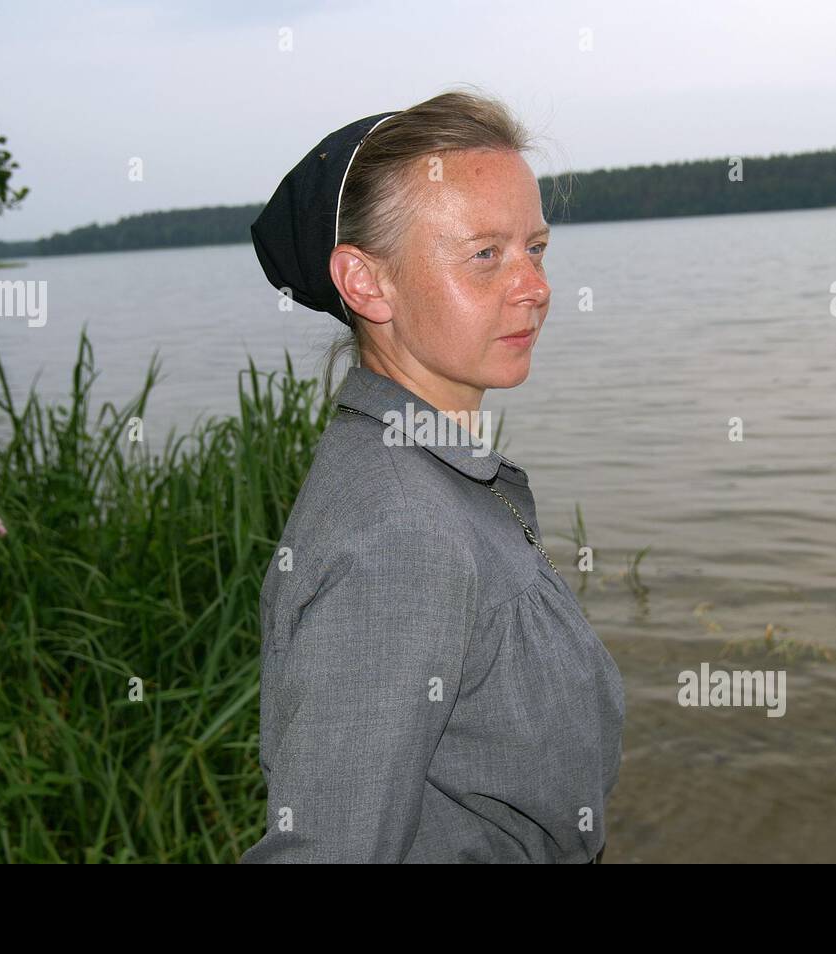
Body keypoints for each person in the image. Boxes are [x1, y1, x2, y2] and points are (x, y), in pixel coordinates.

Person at [240, 88, 625, 863]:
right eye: (485, 254)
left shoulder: (432, 473)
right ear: (365, 283)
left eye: (536, 248)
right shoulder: (401, 533)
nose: (535, 287)